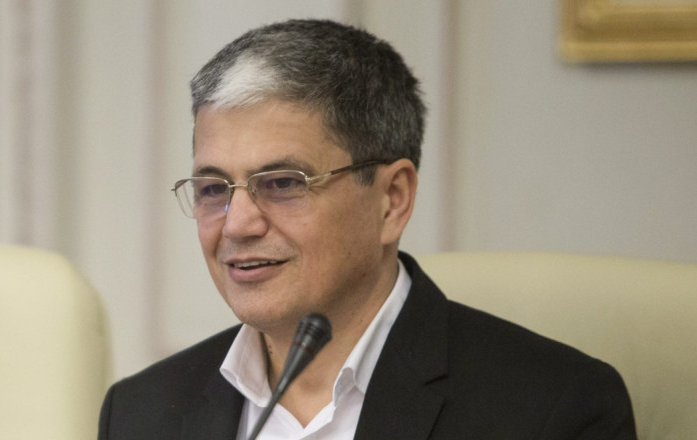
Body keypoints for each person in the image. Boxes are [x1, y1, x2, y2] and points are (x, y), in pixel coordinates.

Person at [98, 19, 636, 439]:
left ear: (391, 200)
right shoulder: (141, 414)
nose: (237, 224)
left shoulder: (553, 409)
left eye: (282, 183)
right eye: (214, 188)